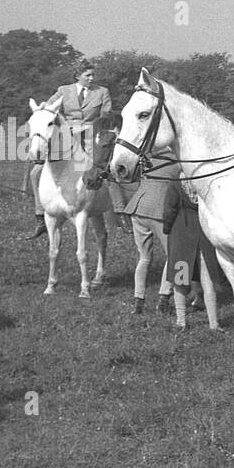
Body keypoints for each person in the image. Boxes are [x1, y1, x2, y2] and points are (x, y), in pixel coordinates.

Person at [29, 61, 112, 238]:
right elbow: (49, 107)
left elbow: (106, 117)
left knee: (104, 170)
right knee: (35, 173)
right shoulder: (63, 90)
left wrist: (92, 129)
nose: (92, 78)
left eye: (93, 75)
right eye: (88, 75)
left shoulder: (102, 92)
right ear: (78, 76)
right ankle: (40, 216)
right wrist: (41, 109)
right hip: (66, 137)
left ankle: (119, 209)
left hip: (90, 136)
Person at [161, 177, 222, 331]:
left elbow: (169, 209)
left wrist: (167, 228)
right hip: (204, 232)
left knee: (180, 280)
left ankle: (181, 321)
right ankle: (214, 323)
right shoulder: (204, 181)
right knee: (207, 280)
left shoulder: (175, 183)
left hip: (181, 233)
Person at [120, 146, 174, 314]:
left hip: (138, 208)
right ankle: (165, 298)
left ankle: (139, 300)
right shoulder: (179, 158)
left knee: (144, 258)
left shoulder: (150, 155)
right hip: (159, 210)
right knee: (175, 257)